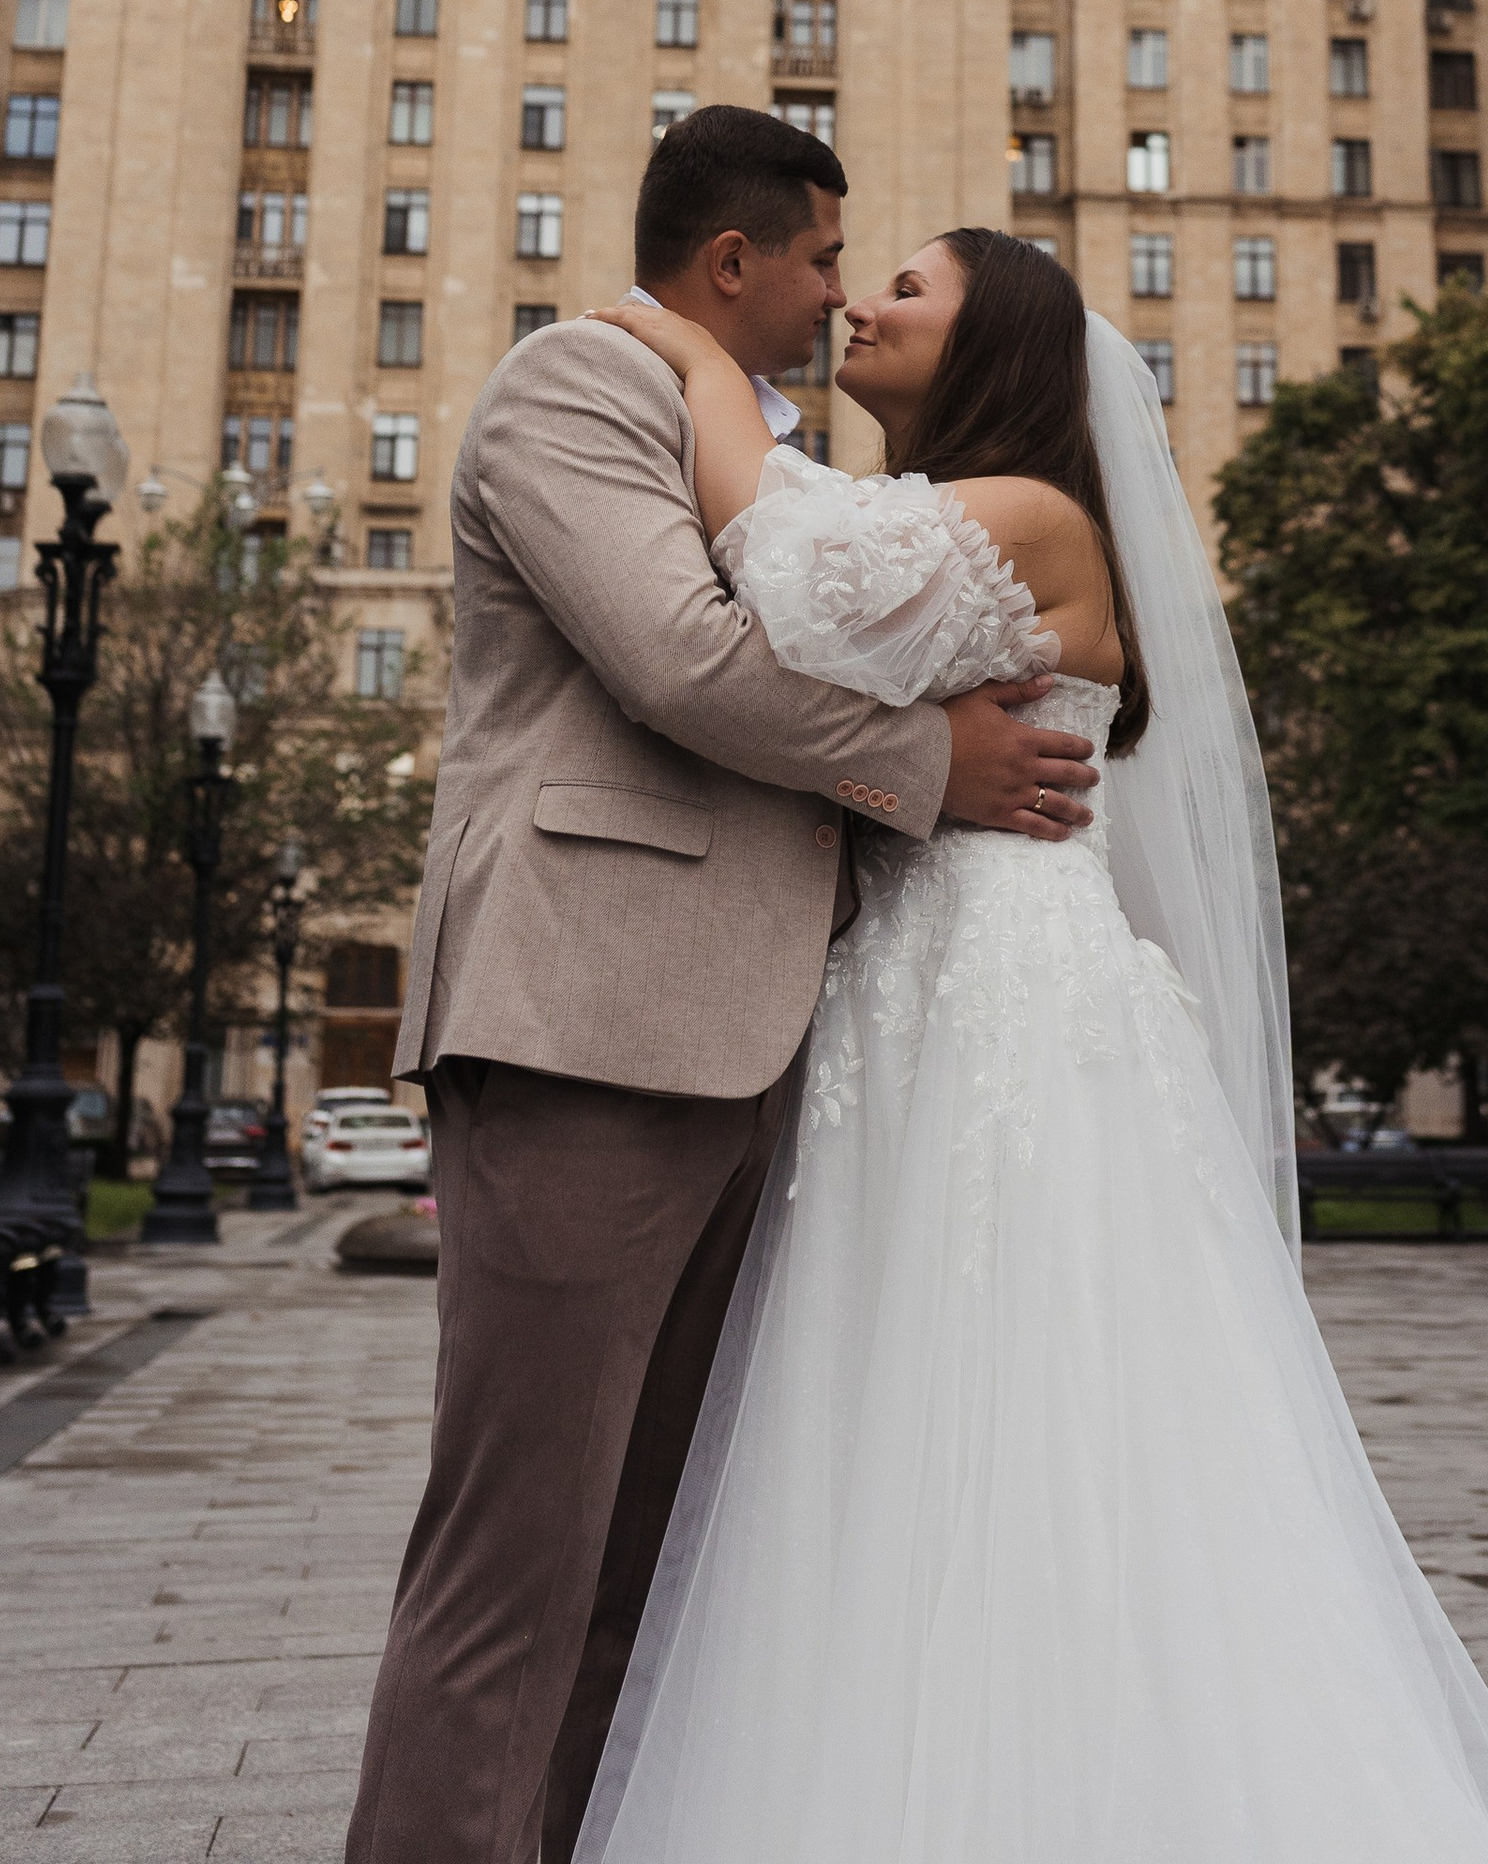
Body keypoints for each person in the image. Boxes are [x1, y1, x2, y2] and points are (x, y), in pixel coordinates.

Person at [575, 232, 1488, 1864]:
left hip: (1003, 992)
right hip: (917, 982)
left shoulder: (1034, 513)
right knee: (880, 1396)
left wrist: (703, 367)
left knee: (1014, 1380)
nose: (864, 303)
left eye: (908, 289)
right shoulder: (943, 511)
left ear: (997, 351)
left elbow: (786, 577)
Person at [342, 112, 1102, 1864]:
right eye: (833, 260)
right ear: (737, 262)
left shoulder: (790, 461)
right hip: (589, 1014)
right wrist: (931, 765)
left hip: (765, 1039)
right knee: (515, 1564)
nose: (847, 296)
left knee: (650, 1568)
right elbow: (684, 661)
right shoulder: (577, 388)